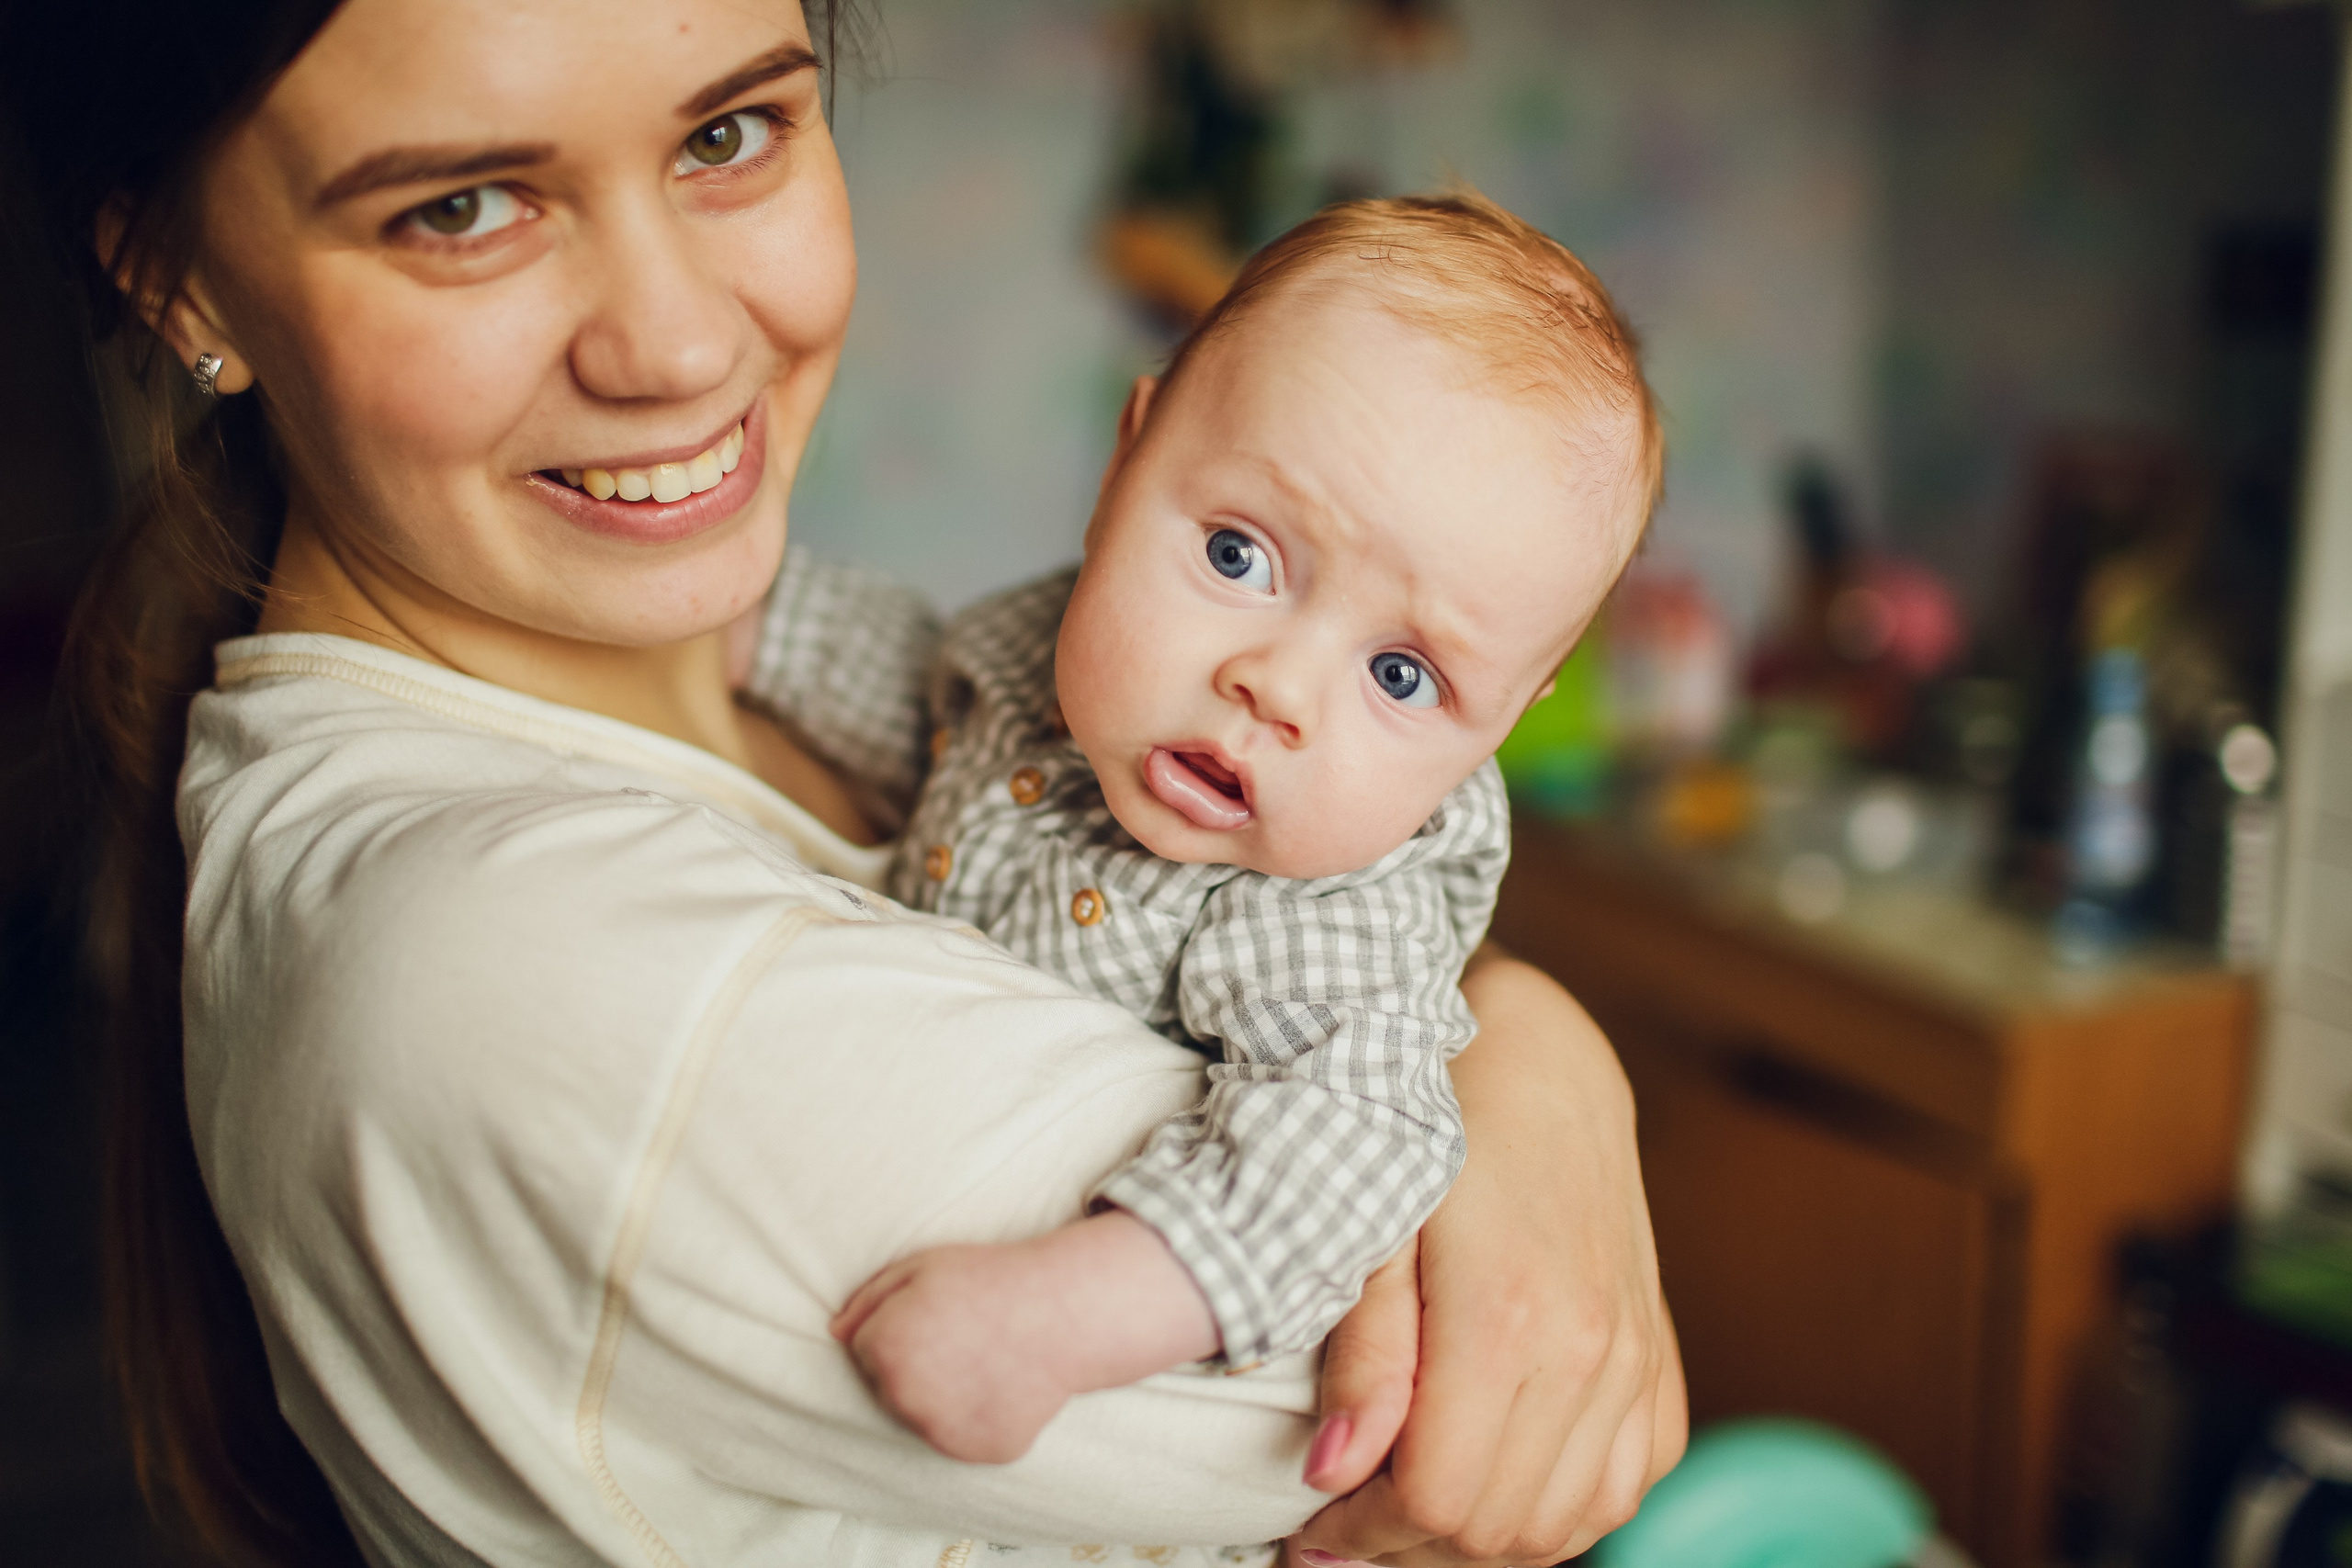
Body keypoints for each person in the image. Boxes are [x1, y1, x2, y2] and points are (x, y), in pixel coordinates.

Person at [6, 0, 1686, 1563]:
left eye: (727, 135)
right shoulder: (542, 969)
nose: (671, 348)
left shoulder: (766, 687)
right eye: (462, 208)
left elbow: (886, 672)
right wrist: (1529, 1060)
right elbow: (1459, 1413)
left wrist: (1525, 1037)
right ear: (181, 280)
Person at [841, 194, 1663, 1483]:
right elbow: (897, 682)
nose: (1277, 686)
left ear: (1496, 729)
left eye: (1402, 678)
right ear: (1127, 460)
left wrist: (1063, 1317)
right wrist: (728, 632)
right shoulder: (1029, 657)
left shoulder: (1322, 908)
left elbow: (1345, 1147)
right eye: (1239, 553)